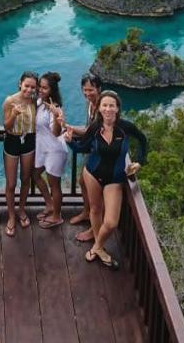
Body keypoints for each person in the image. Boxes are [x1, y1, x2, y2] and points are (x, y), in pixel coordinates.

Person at [65, 89, 147, 270]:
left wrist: (139, 162)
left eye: (112, 105)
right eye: (105, 105)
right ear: (100, 108)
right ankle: (100, 248)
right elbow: (81, 148)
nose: (108, 109)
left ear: (117, 108)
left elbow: (143, 140)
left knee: (111, 222)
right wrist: (70, 141)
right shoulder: (94, 128)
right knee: (95, 210)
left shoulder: (125, 127)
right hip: (92, 174)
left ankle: (96, 247)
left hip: (115, 179)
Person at [66, 73, 104, 240]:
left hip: (102, 155)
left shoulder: (103, 107)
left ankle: (94, 230)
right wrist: (70, 128)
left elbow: (91, 132)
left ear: (99, 89)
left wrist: (70, 129)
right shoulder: (90, 104)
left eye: (91, 90)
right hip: (92, 151)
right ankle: (87, 213)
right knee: (82, 182)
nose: (88, 93)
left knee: (97, 194)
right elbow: (89, 130)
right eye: (85, 90)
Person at [1, 71, 38, 236]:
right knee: (10, 183)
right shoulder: (10, 101)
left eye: (32, 87)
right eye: (26, 86)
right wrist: (14, 115)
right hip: (12, 141)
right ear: (20, 84)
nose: (29, 90)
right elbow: (7, 127)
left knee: (25, 179)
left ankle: (21, 209)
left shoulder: (35, 102)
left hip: (29, 140)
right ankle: (11, 215)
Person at [32, 71, 68, 228]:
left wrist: (57, 117)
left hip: (55, 149)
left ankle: (57, 216)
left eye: (45, 88)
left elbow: (56, 133)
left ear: (52, 90)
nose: (40, 89)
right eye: (40, 86)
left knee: (54, 184)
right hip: (42, 147)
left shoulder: (56, 108)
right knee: (35, 174)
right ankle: (49, 204)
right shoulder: (39, 102)